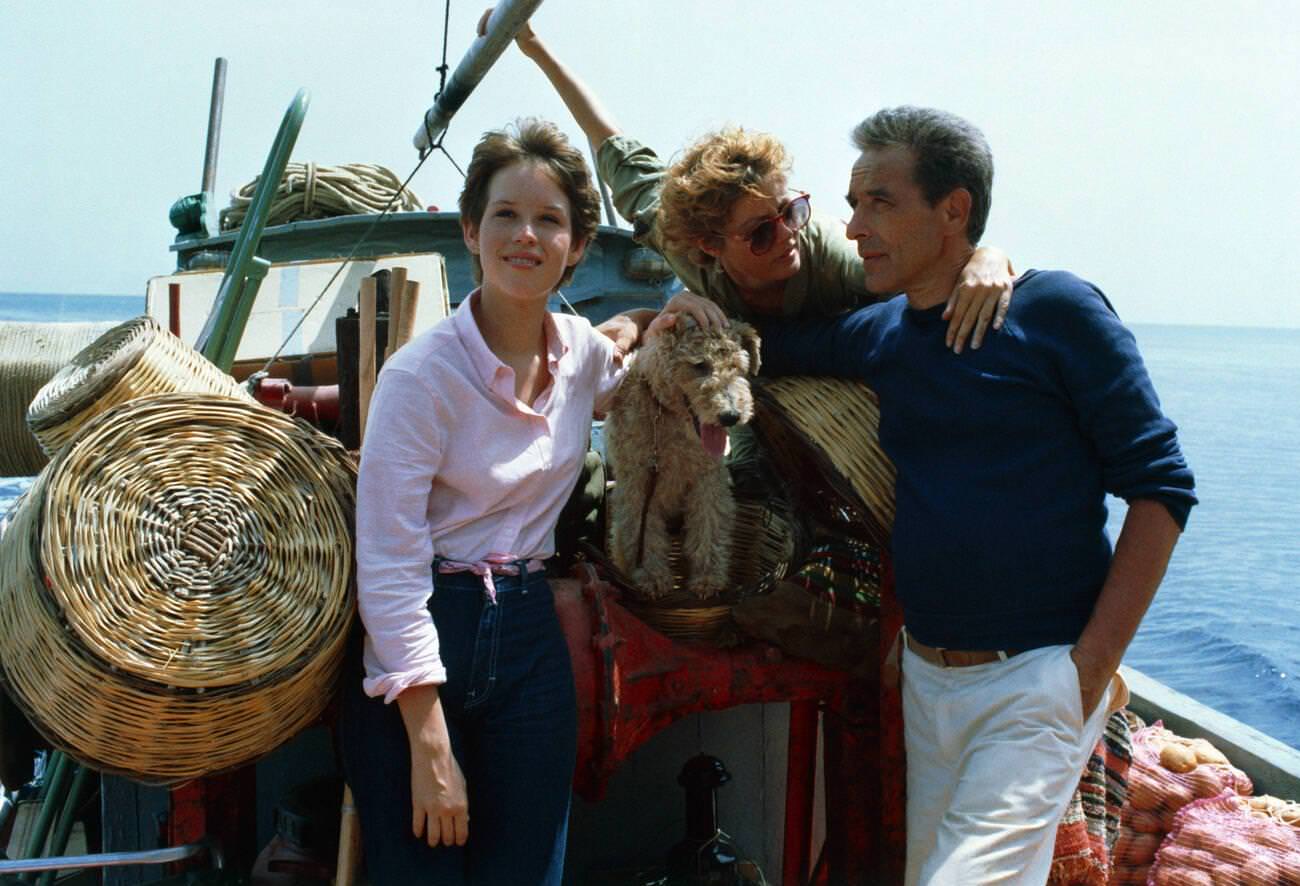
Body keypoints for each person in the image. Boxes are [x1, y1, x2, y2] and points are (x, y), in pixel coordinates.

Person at [757, 106, 1197, 884]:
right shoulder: (884, 333)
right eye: (853, 204)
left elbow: (1161, 487)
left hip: (1035, 683)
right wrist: (656, 318)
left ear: (953, 209)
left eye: (880, 202)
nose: (854, 228)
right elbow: (768, 346)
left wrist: (1087, 673)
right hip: (927, 682)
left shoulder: (1056, 311)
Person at [340, 119, 675, 885]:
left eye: (549, 220)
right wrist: (429, 741)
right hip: (422, 638)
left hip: (529, 637)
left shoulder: (581, 355)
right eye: (506, 215)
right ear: (471, 230)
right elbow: (388, 566)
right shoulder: (420, 378)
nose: (527, 235)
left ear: (578, 245)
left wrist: (668, 315)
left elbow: (634, 383)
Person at [492, 11, 1015, 353]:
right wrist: (532, 44)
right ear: (709, 246)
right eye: (762, 232)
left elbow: (928, 262)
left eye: (792, 211)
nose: (787, 235)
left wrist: (987, 259)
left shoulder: (832, 255)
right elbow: (607, 140)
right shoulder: (675, 233)